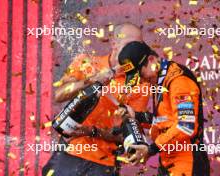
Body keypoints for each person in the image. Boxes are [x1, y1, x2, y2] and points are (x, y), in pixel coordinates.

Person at [42, 23, 150, 176]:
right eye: (129, 44)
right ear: (114, 43)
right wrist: (92, 80)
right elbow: (59, 95)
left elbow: (127, 135)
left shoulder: (140, 85)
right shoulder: (86, 61)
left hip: (104, 165)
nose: (134, 51)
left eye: (138, 46)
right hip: (69, 154)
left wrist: (91, 131)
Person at [117, 41, 210, 176]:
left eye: (140, 75)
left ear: (151, 60)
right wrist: (137, 116)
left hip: (187, 164)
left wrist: (151, 149)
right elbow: (167, 119)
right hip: (169, 162)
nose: (141, 81)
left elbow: (186, 126)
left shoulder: (178, 81)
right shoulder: (160, 79)